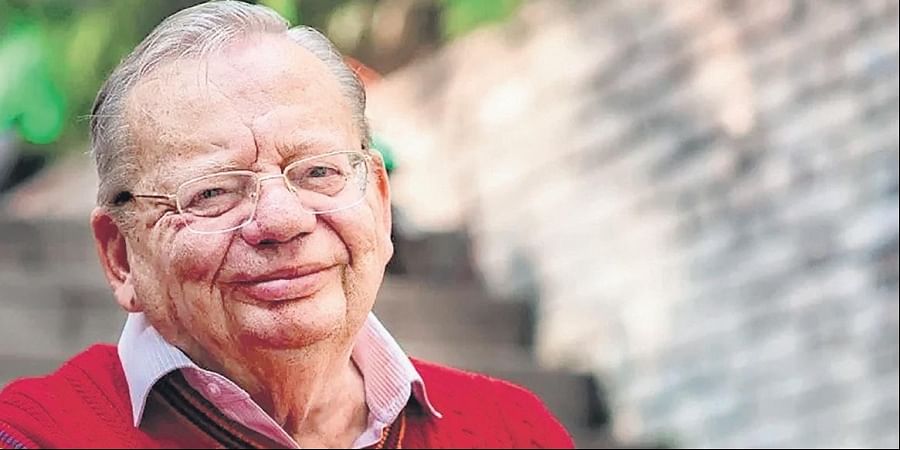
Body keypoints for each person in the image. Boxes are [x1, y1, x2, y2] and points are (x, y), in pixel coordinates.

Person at [0, 2, 573, 448]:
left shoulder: (516, 431)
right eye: (212, 192)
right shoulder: (33, 437)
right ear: (121, 257)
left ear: (379, 202)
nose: (282, 220)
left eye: (319, 171)